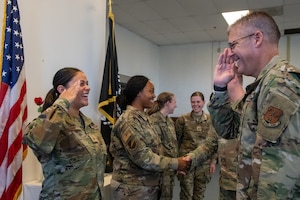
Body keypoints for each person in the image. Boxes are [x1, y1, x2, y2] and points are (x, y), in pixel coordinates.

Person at [207, 11, 300, 199]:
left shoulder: (280, 83)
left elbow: (275, 171)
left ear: (257, 38)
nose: (230, 54)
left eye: (233, 45)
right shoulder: (262, 86)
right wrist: (219, 88)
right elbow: (229, 130)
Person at [23, 67, 107, 199]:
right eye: (81, 83)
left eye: (87, 83)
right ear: (62, 89)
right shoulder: (52, 121)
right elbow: (39, 143)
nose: (88, 88)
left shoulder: (88, 123)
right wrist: (62, 103)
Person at [109, 75, 190, 200]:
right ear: (138, 93)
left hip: (148, 187)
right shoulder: (129, 121)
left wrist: (174, 166)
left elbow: (157, 150)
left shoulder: (145, 118)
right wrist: (175, 163)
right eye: (150, 91)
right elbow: (143, 158)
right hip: (132, 190)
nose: (154, 96)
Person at [185, 73, 245, 200]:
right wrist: (190, 158)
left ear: (239, 81)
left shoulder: (251, 110)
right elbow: (209, 145)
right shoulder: (220, 118)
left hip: (248, 186)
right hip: (226, 185)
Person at [175, 91, 216, 200]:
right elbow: (176, 141)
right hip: (186, 162)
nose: (195, 104)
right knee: (186, 194)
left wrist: (213, 161)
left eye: (198, 101)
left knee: (199, 194)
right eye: (193, 102)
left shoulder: (210, 120)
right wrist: (177, 162)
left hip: (203, 163)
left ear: (203, 103)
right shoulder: (183, 119)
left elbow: (214, 143)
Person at [147, 92, 178, 200]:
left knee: (168, 195)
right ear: (168, 103)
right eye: (174, 102)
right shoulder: (154, 120)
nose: (176, 105)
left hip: (169, 168)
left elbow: (172, 144)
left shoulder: (169, 121)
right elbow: (155, 148)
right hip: (160, 170)